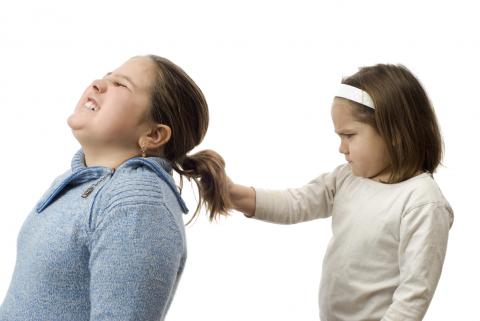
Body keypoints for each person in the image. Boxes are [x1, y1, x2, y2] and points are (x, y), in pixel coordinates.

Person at [0, 55, 231, 321]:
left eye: (121, 84)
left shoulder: (138, 205)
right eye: (105, 76)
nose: (98, 84)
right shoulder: (79, 181)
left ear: (154, 135)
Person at [229, 64, 454, 321]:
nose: (341, 147)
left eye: (349, 135)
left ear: (396, 133)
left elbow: (413, 297)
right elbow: (296, 203)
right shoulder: (348, 178)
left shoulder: (422, 203)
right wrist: (235, 195)